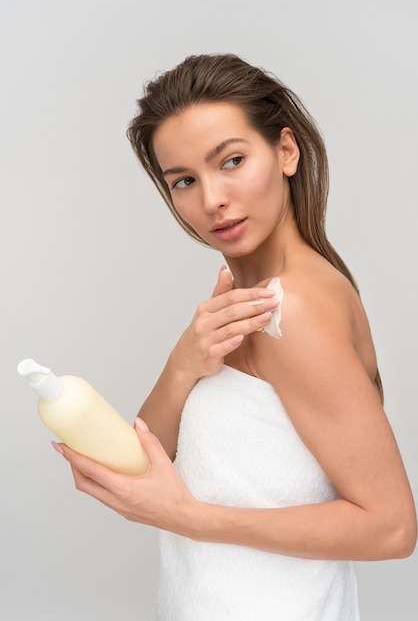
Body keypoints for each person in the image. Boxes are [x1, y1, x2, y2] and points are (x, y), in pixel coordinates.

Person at [53, 54, 417, 620]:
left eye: (233, 161)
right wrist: (183, 365)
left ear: (287, 152)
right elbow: (142, 468)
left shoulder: (289, 307)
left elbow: (391, 528)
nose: (211, 199)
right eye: (184, 180)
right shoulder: (244, 304)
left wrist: (190, 519)